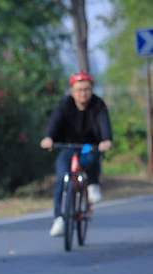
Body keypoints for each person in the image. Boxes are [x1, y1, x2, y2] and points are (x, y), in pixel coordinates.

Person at [40, 71, 113, 237]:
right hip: (67, 146)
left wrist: (106, 140)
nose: (83, 93)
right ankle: (59, 218)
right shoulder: (64, 104)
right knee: (61, 178)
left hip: (89, 146)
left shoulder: (98, 105)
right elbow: (54, 123)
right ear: (72, 91)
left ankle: (92, 185)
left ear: (92, 90)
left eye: (87, 89)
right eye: (79, 90)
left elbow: (104, 125)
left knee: (92, 157)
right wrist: (48, 138)